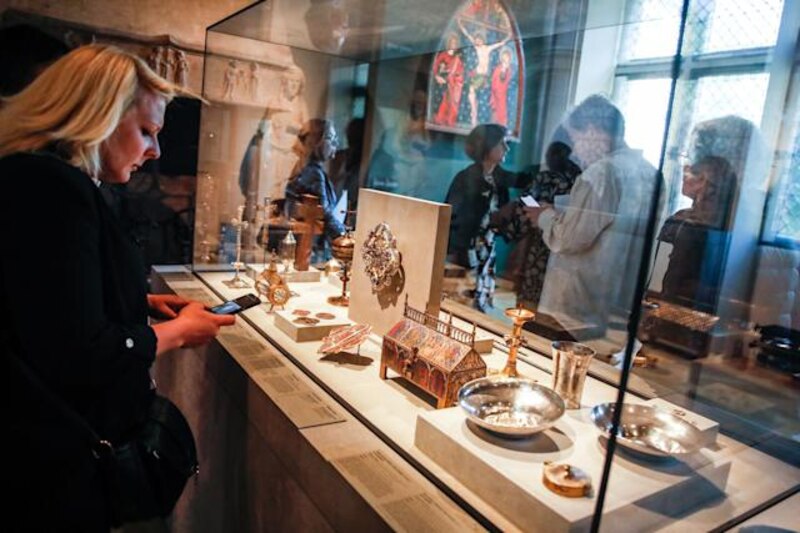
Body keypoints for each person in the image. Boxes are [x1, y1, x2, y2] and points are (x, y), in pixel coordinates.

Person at [0, 44, 235, 532]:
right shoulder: (53, 188)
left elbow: (39, 295)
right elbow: (76, 349)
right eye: (147, 131)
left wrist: (140, 302)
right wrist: (178, 333)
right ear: (98, 116)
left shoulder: (30, 175)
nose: (156, 151)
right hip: (48, 463)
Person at [525, 95, 662, 340]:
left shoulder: (601, 173)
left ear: (593, 130)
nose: (575, 149)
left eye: (576, 138)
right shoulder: (651, 173)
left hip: (576, 305)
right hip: (619, 301)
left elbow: (569, 239)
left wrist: (544, 216)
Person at [657, 116, 752, 311]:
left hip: (697, 316)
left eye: (693, 151)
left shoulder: (699, 225)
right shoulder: (689, 218)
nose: (687, 164)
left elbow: (676, 288)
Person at [492, 127, 581, 309]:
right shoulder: (580, 180)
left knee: (530, 308)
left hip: (540, 248)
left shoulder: (545, 178)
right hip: (568, 256)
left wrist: (506, 217)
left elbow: (525, 211)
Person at [445, 123, 531, 311]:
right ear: (488, 147)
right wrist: (493, 217)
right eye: (502, 143)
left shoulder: (499, 177)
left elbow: (525, 181)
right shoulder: (466, 178)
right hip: (465, 252)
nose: (507, 148)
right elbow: (455, 218)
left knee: (480, 298)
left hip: (487, 250)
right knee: (462, 300)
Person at [284, 118, 347, 261]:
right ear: (317, 141)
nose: (335, 144)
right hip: (309, 250)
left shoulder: (308, 168)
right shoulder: (313, 173)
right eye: (331, 138)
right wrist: (345, 236)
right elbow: (324, 214)